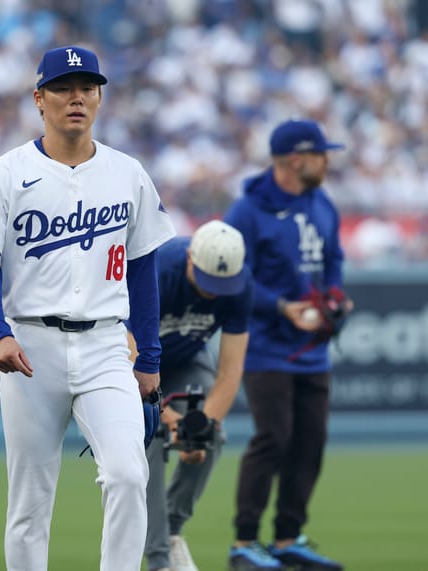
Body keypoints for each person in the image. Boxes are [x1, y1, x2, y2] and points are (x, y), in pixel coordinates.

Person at [0, 45, 175, 571]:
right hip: (32, 346)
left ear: (100, 97)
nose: (76, 97)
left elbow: (143, 269)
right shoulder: (3, 174)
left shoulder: (128, 173)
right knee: (30, 502)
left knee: (127, 473)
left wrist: (150, 356)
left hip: (105, 343)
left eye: (87, 87)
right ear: (39, 98)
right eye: (62, 87)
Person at [223, 119, 351, 571]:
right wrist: (282, 307)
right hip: (264, 346)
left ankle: (285, 538)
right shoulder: (247, 211)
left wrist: (334, 297)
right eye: (320, 154)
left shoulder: (321, 201)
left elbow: (333, 259)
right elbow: (231, 277)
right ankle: (243, 543)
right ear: (297, 159)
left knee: (310, 442)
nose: (327, 161)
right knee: (272, 439)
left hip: (311, 348)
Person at [134, 220, 253, 571]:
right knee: (150, 436)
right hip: (136, 362)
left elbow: (231, 369)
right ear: (189, 258)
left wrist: (196, 429)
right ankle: (158, 561)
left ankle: (170, 531)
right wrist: (170, 421)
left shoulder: (242, 287)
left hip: (187, 359)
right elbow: (124, 347)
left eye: (222, 285)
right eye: (206, 281)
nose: (214, 293)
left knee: (210, 435)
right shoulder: (156, 268)